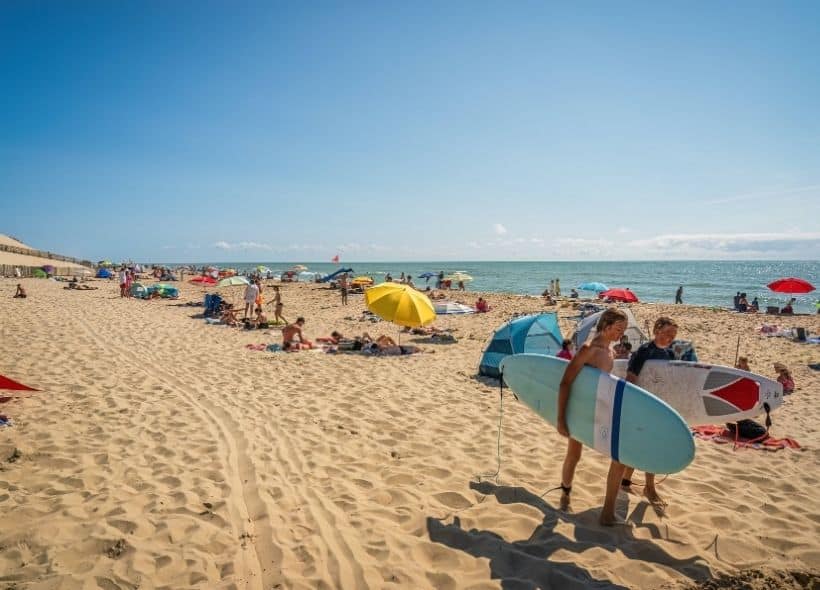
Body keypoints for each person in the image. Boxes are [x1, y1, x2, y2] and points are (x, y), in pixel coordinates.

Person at [557, 307, 628, 525]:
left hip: (600, 410)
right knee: (574, 455)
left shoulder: (611, 352)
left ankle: (607, 512)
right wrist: (561, 419)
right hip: (581, 410)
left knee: (619, 458)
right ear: (606, 326)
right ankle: (565, 493)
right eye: (618, 329)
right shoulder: (589, 349)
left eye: (623, 330)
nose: (621, 334)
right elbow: (566, 381)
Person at [621, 316, 678, 507]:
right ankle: (649, 488)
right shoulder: (644, 351)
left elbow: (669, 383)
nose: (671, 337)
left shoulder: (670, 355)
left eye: (674, 334)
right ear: (656, 331)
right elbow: (630, 378)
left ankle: (625, 481)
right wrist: (635, 405)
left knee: (641, 444)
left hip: (660, 405)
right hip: (643, 404)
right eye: (668, 332)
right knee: (649, 446)